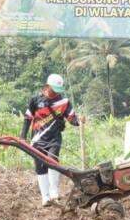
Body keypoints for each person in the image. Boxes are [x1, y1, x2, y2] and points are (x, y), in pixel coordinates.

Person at [19, 74, 84, 207]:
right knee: (40, 166)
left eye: (58, 90)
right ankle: (45, 197)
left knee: (52, 161)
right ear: (47, 86)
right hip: (37, 139)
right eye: (54, 89)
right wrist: (22, 137)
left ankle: (54, 191)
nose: (56, 93)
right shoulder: (35, 100)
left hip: (54, 138)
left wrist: (79, 121)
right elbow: (27, 118)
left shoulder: (63, 102)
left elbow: (72, 119)